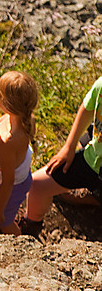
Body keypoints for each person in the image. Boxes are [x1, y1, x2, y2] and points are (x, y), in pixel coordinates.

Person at [21, 75, 102, 237]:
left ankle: (95, 198)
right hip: (93, 154)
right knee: (36, 184)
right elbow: (88, 107)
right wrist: (69, 147)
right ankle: (30, 228)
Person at [0, 71, 38, 235]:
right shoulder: (25, 118)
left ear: (5, 103)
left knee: (4, 221)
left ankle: (18, 241)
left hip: (9, 187)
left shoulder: (7, 141)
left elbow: (8, 181)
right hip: (19, 179)